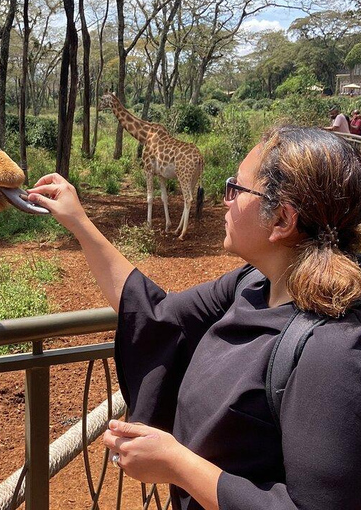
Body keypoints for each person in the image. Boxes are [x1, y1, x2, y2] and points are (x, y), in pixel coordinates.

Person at [26, 126, 361, 509]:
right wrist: (80, 224)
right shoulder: (252, 284)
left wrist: (177, 464)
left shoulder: (332, 347)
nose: (226, 201)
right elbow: (156, 313)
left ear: (282, 220)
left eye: (237, 189)